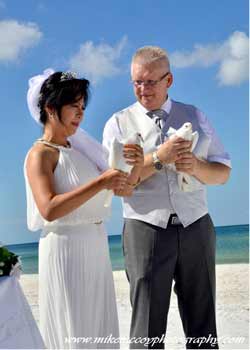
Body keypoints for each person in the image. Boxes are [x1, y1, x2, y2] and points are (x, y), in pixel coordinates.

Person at [103, 46, 231, 349]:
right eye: (136, 82)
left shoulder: (196, 116)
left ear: (169, 80)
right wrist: (158, 158)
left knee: (203, 325)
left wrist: (197, 166)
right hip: (144, 229)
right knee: (147, 330)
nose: (142, 89)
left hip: (196, 226)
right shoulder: (118, 124)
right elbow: (120, 185)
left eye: (150, 82)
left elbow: (223, 173)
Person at [24, 69, 143, 349]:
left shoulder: (83, 153)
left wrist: (136, 164)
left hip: (96, 246)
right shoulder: (40, 154)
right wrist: (101, 182)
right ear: (51, 109)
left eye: (82, 107)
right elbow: (48, 209)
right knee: (75, 331)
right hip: (65, 250)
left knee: (99, 330)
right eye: (73, 106)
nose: (80, 114)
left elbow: (125, 189)